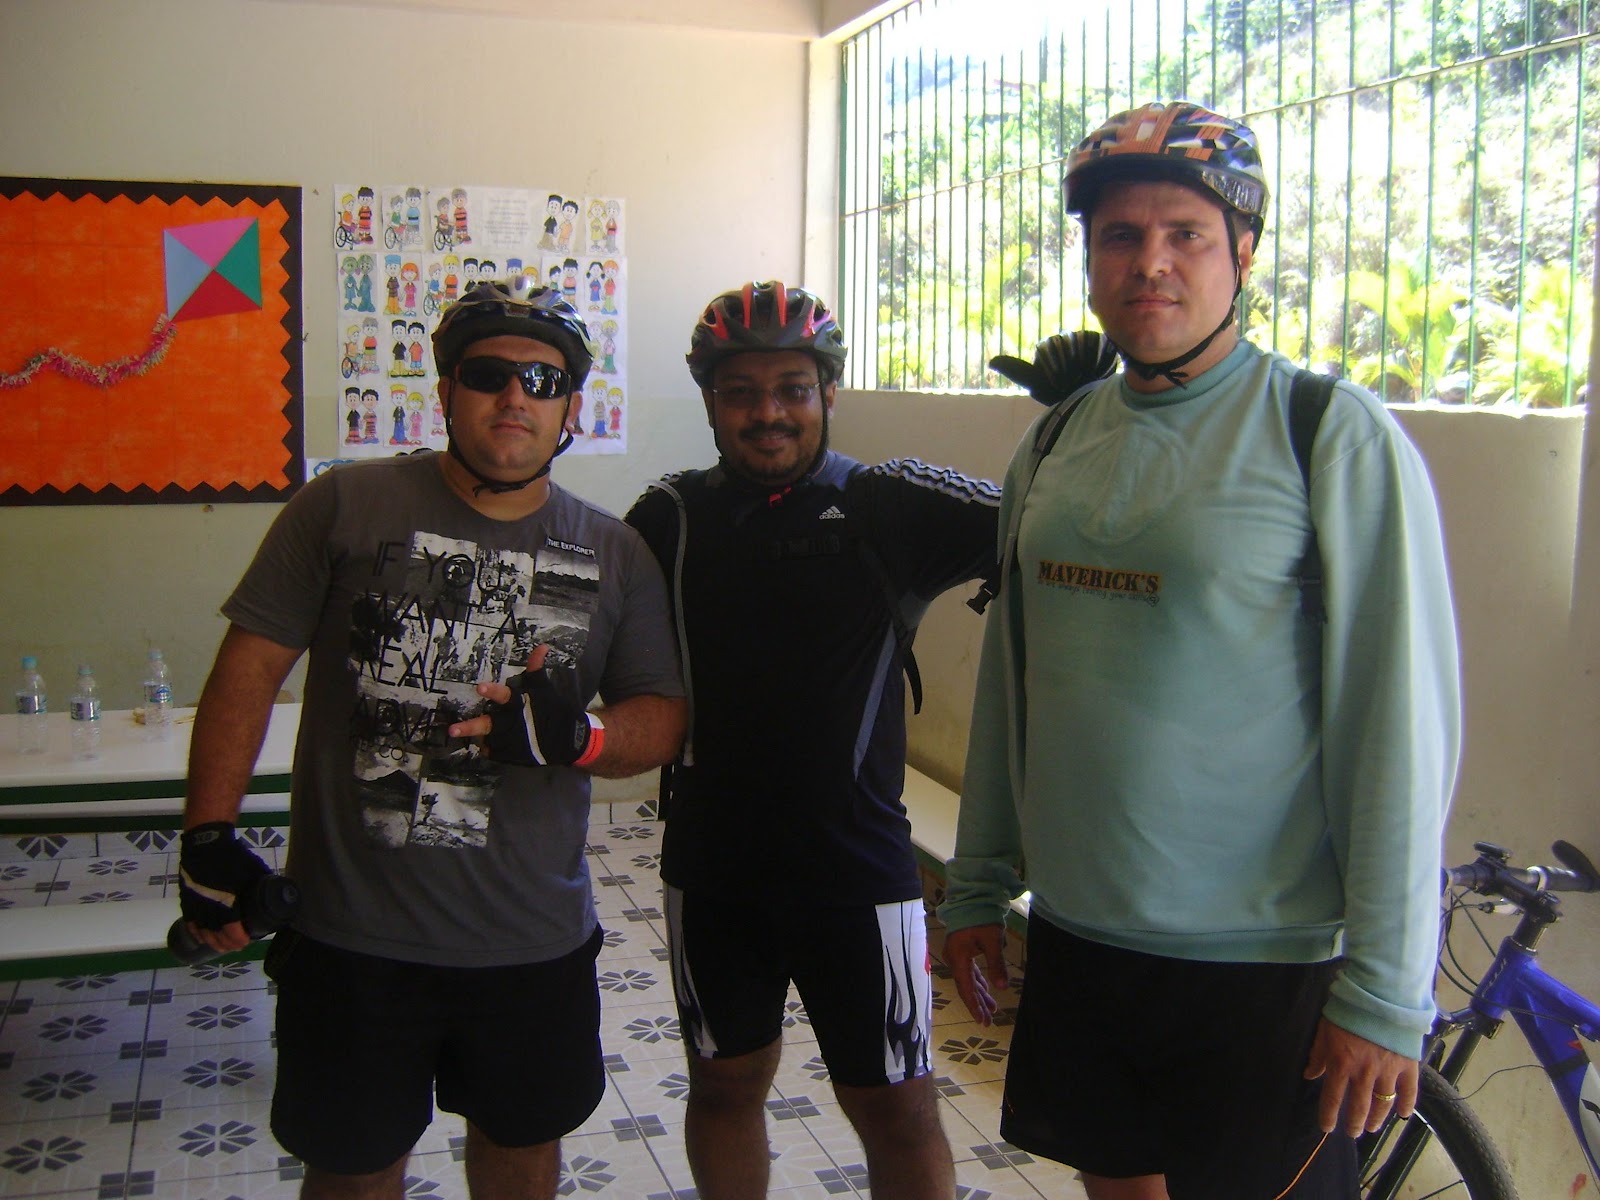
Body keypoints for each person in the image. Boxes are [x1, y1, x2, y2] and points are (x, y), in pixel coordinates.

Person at [940, 101, 1462, 1199]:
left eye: (1186, 233)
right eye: (1119, 236)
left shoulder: (1327, 433)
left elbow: (1398, 726)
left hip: (1261, 964)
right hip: (1080, 936)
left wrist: (1384, 990)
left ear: (1244, 251)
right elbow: (1014, 684)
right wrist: (979, 882)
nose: (1150, 263)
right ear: (1090, 260)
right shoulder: (1054, 440)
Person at [177, 279, 686, 1200]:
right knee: (353, 1172)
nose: (516, 395)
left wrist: (579, 738)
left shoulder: (614, 552)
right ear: (447, 390)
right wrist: (208, 834)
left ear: (572, 408)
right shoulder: (344, 506)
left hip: (529, 940)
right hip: (353, 937)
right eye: (488, 374)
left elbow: (660, 716)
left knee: (520, 1159)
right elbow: (247, 672)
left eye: (544, 379)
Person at [624, 281, 1001, 1200]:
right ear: (709, 401)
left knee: (900, 1108)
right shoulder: (669, 518)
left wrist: (1078, 427)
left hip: (859, 874)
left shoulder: (892, 503)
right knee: (723, 1087)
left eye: (793, 388)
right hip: (712, 872)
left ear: (830, 391)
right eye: (741, 392)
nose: (768, 413)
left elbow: (1046, 523)